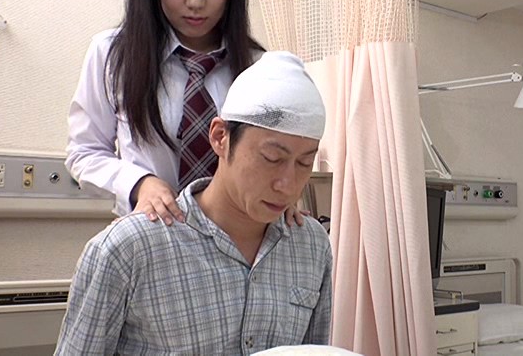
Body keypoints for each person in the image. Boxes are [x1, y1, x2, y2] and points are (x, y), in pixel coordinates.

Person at [55, 52, 332, 354]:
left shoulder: (310, 245)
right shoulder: (129, 249)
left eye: (304, 163)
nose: (287, 185)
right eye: (272, 158)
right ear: (220, 137)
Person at [65, 0, 303, 226]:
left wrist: (278, 196)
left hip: (238, 238)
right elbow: (85, 153)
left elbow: (273, 155)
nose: (195, 1)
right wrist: (139, 184)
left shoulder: (258, 67)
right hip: (153, 233)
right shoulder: (112, 54)